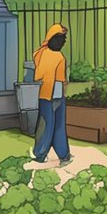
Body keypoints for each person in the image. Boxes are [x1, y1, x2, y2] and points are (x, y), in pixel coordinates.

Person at [31, 23, 73, 167]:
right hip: (50, 95)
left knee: (53, 125)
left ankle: (52, 154)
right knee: (51, 125)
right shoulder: (48, 55)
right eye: (61, 38)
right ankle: (48, 154)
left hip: (54, 95)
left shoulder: (50, 55)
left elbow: (41, 76)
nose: (63, 41)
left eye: (64, 38)